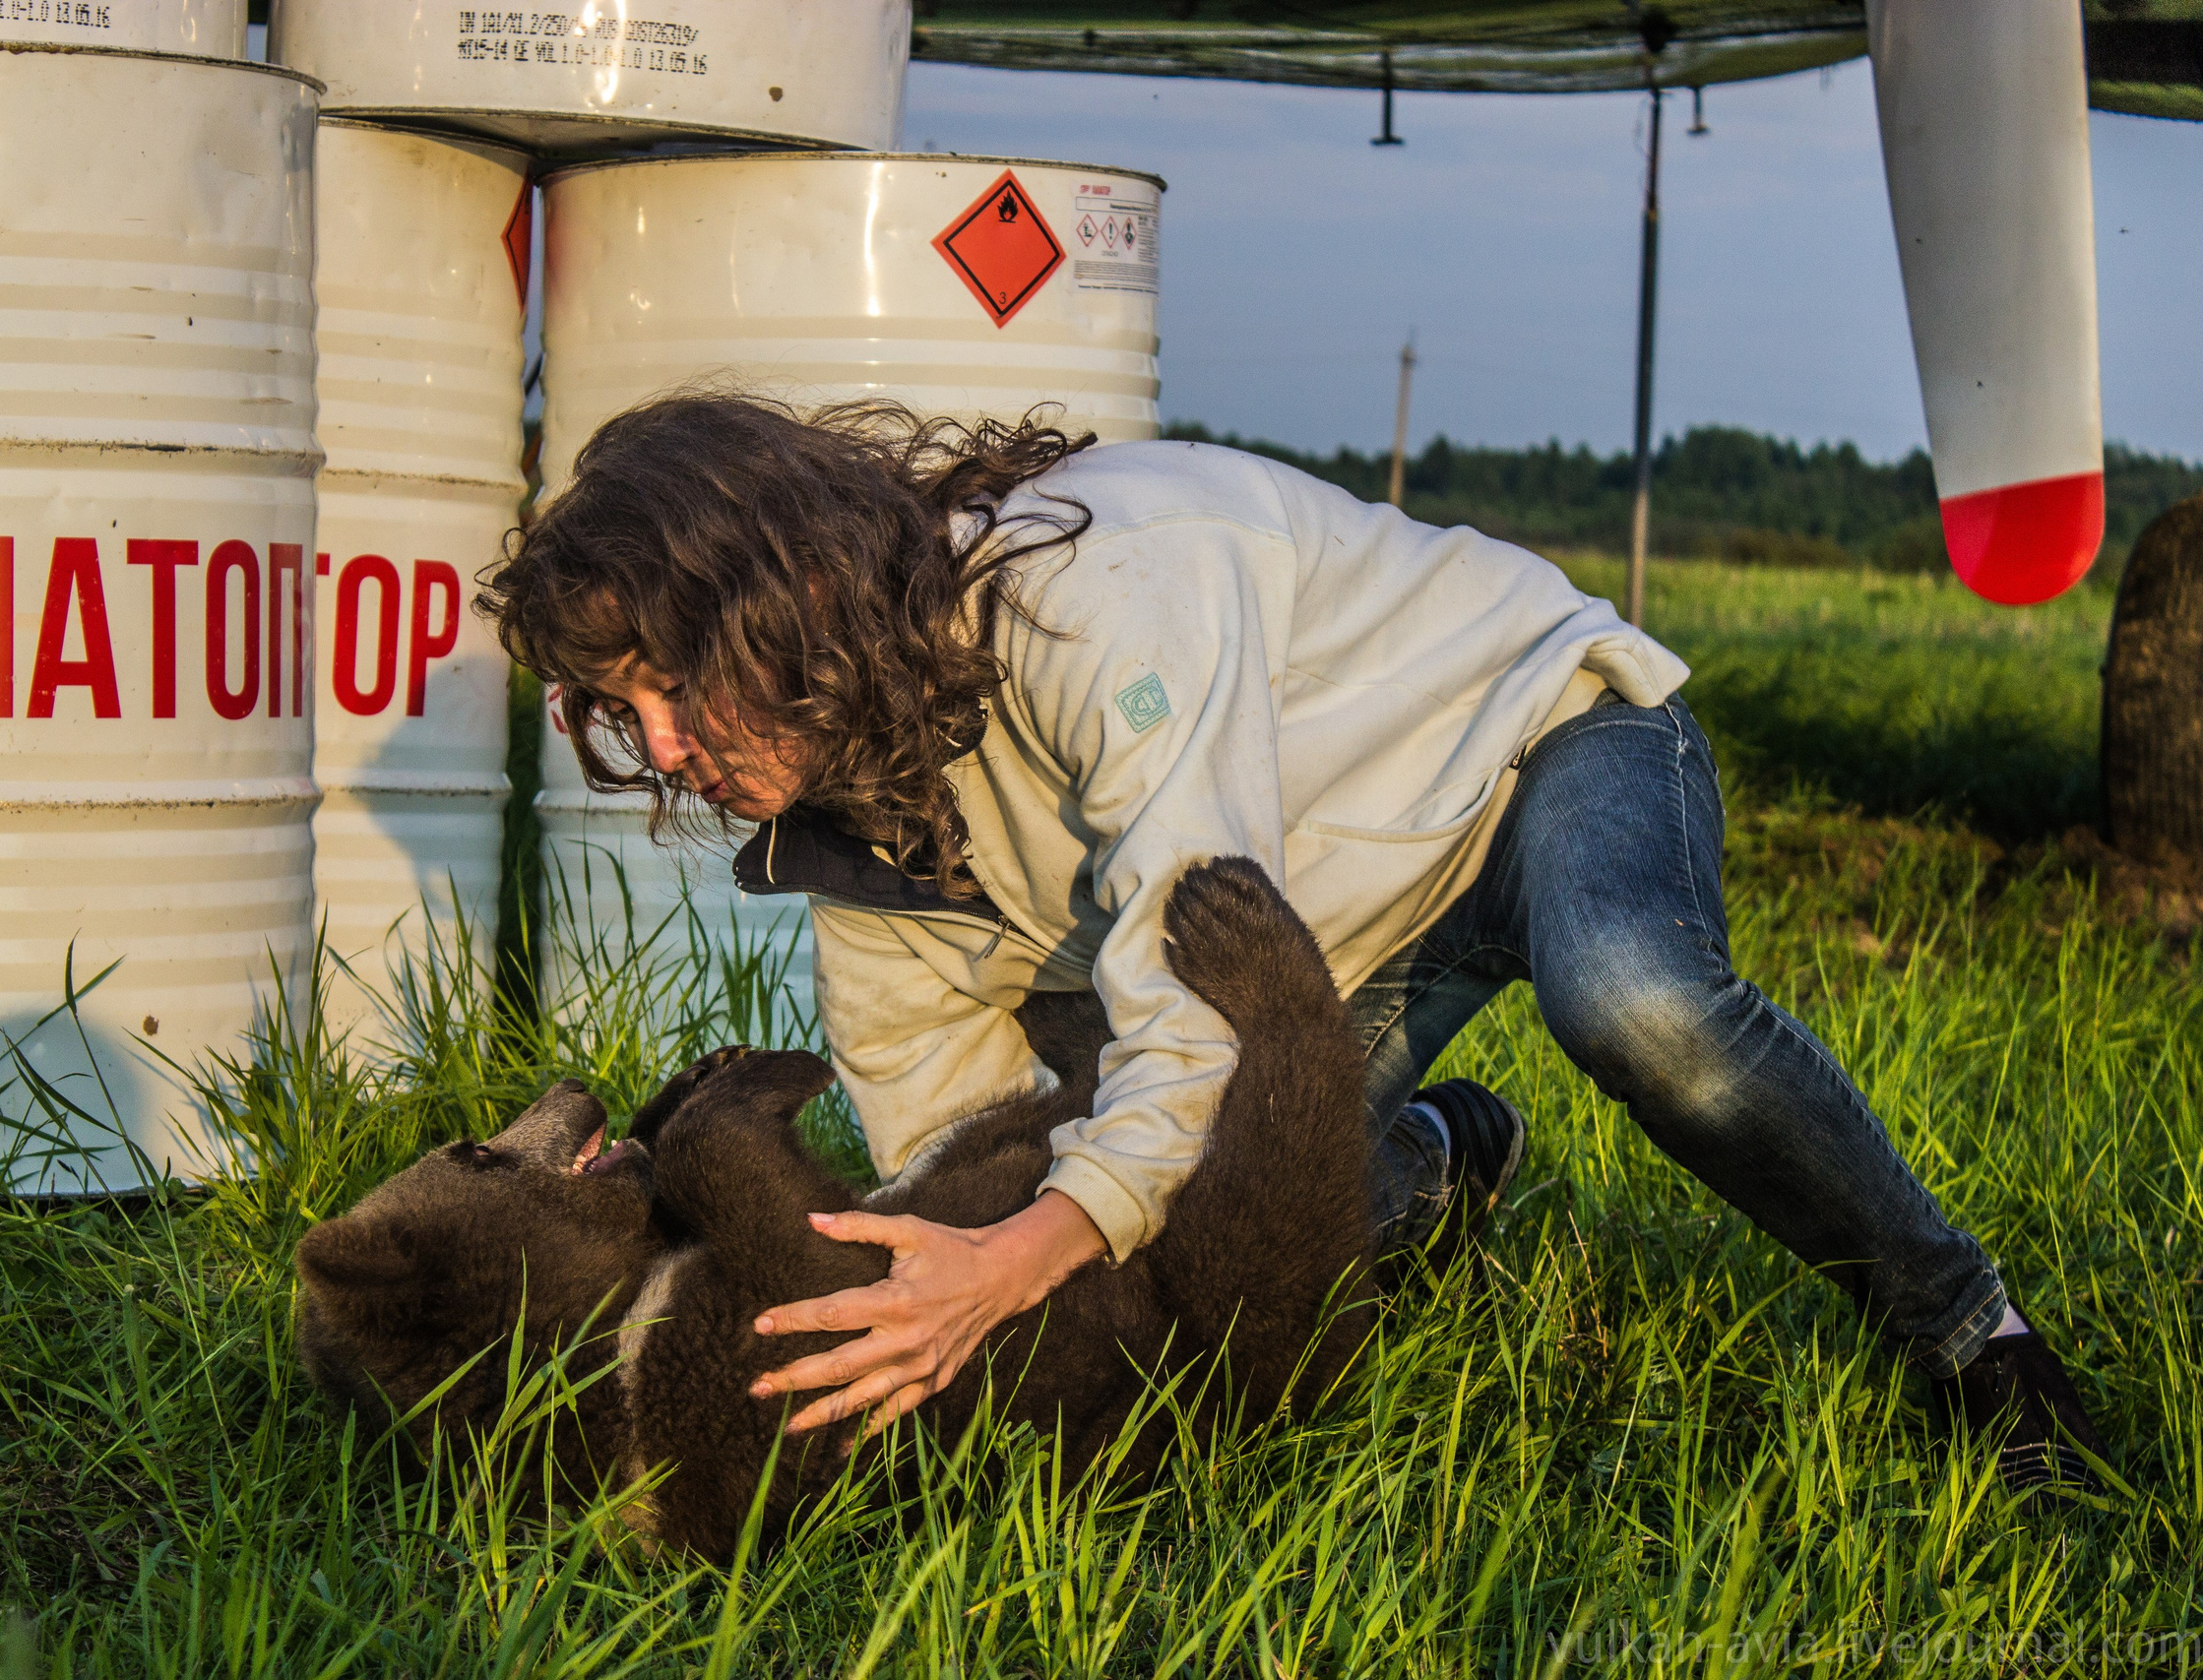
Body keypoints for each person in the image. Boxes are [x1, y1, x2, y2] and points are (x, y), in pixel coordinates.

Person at [481, 393, 2111, 1492]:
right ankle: (1428, 1161)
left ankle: (1967, 1323)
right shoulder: (849, 843)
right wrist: (949, 1286)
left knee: (1636, 999)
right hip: (1314, 937)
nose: (664, 749)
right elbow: (963, 1139)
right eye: (621, 716)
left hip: (1528, 753)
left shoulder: (1101, 591)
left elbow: (1192, 961)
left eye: (666, 686)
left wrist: (1035, 1247)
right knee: (1199, 1237)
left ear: (773, 604)